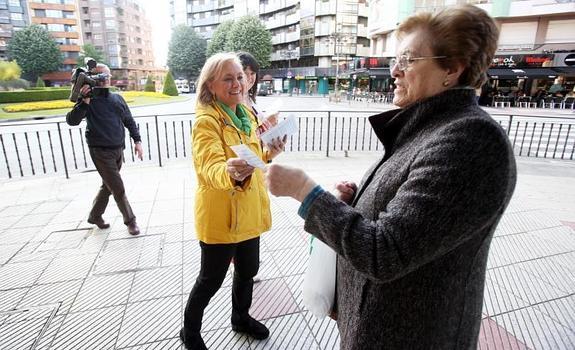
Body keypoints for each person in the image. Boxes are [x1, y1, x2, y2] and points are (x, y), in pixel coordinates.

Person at [265, 5, 516, 349]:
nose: (394, 70)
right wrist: (354, 204)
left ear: (452, 69)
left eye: (408, 60)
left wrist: (305, 192)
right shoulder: (429, 127)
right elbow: (407, 225)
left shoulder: (470, 139)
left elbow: (386, 252)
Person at [180, 52, 286, 350]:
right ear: (210, 85)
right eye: (228, 78)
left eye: (240, 76)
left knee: (248, 271)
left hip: (249, 213)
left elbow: (253, 158)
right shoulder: (207, 121)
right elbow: (209, 166)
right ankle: (190, 331)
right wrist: (228, 172)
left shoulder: (244, 114)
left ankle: (240, 318)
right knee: (210, 280)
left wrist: (271, 153)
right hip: (221, 216)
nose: (237, 83)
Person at [66, 63, 143, 236]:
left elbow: (129, 121)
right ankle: (131, 221)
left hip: (118, 150)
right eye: (99, 76)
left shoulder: (117, 99)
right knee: (118, 187)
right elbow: (72, 120)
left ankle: (95, 216)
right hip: (100, 151)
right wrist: (84, 102)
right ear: (91, 78)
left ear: (110, 77)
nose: (104, 79)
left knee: (107, 186)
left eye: (106, 75)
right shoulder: (88, 99)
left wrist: (137, 141)